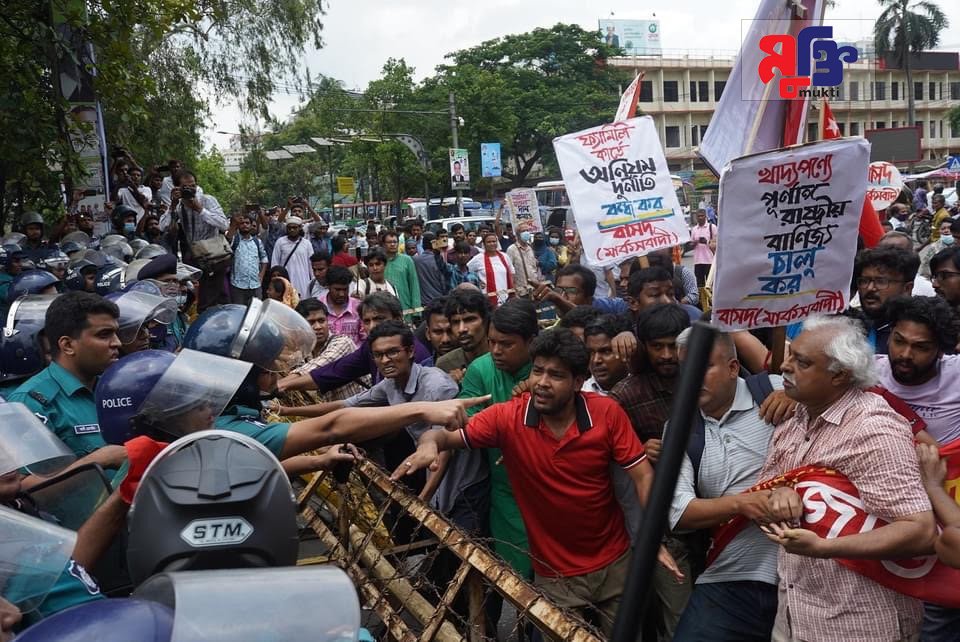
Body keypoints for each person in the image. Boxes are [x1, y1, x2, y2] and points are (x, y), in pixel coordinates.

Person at [395, 328, 680, 637]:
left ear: (577, 382)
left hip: (615, 564)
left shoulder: (606, 413)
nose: (542, 383)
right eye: (538, 371)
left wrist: (654, 538)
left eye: (556, 375)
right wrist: (429, 443)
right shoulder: (508, 418)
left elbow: (642, 475)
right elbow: (441, 434)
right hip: (555, 576)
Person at [759, 315, 935, 642]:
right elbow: (766, 494)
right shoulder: (795, 417)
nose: (785, 366)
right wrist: (780, 494)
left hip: (860, 624)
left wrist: (825, 548)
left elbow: (920, 530)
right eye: (790, 354)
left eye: (802, 361)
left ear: (839, 375)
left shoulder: (874, 430)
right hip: (794, 616)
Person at [668, 331, 782, 641]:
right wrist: (741, 504)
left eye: (703, 366)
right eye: (685, 368)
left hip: (805, 570)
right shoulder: (679, 428)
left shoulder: (776, 392)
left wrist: (798, 397)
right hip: (729, 576)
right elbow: (677, 513)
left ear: (733, 368)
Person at [871, 296, 960, 638]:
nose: (905, 355)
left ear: (941, 350)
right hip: (886, 515)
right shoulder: (866, 372)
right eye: (899, 341)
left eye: (921, 347)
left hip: (946, 517)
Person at [457, 300, 538, 581]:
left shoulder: (549, 370)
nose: (495, 351)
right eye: (492, 342)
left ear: (531, 342)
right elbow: (466, 422)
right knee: (517, 576)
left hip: (550, 485)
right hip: (506, 491)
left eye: (506, 344)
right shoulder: (481, 369)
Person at [7, 292, 125, 469]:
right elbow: (24, 487)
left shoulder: (117, 388)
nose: (117, 343)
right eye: (104, 335)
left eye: (116, 333)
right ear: (68, 345)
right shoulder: (31, 404)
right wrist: (98, 461)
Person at [277, 292, 434, 395]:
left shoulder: (414, 353)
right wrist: (283, 385)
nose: (372, 326)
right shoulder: (370, 347)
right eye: (367, 321)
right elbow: (333, 372)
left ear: (398, 319)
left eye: (379, 319)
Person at [436, 288, 490, 380]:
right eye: (456, 322)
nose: (461, 329)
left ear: (485, 321)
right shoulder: (445, 365)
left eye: (469, 320)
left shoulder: (502, 357)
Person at [582, 315, 632, 394]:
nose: (596, 360)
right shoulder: (580, 396)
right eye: (590, 352)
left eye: (606, 351)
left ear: (625, 348)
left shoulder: (644, 387)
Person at [227, 212, 268, 305]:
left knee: (255, 313)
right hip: (238, 285)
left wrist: (261, 276)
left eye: (247, 223)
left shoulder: (257, 242)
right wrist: (234, 224)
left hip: (255, 285)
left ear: (251, 225)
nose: (244, 225)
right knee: (238, 312)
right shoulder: (235, 240)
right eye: (242, 223)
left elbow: (264, 259)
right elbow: (227, 240)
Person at [270, 216, 314, 298]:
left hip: (303, 282)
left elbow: (311, 265)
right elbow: (275, 263)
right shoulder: (280, 242)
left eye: (294, 227)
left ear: (300, 228)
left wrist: (313, 281)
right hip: (285, 282)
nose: (292, 230)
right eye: (289, 228)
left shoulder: (307, 244)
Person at [468, 231, 514, 307]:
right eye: (489, 242)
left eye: (494, 241)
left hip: (506, 296)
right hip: (488, 299)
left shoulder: (505, 256)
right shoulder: (478, 258)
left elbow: (512, 273)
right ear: (484, 244)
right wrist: (478, 281)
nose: (492, 244)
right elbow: (467, 272)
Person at [382, 231, 421, 320]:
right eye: (389, 242)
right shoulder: (380, 262)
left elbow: (414, 285)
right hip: (385, 310)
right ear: (384, 245)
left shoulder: (407, 260)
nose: (392, 244)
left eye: (395, 242)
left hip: (405, 309)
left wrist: (416, 312)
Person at [322, 266, 363, 347]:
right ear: (328, 286)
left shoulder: (359, 307)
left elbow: (365, 337)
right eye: (337, 290)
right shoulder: (318, 307)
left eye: (345, 289)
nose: (342, 294)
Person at [413, 232, 451, 308]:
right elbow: (444, 280)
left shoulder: (415, 260)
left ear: (423, 245)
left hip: (423, 302)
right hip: (439, 299)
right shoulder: (438, 259)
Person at [505, 226, 539, 296]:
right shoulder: (511, 249)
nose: (526, 232)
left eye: (527, 230)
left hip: (534, 289)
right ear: (517, 234)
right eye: (523, 231)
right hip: (521, 291)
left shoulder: (530, 248)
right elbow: (509, 271)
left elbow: (534, 267)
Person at [690, 209, 717, 287]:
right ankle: (702, 299)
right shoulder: (694, 229)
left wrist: (706, 242)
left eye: (702, 216)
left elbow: (718, 244)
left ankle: (712, 299)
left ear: (706, 217)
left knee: (711, 286)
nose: (700, 218)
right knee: (700, 285)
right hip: (698, 262)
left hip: (710, 261)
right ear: (696, 217)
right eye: (698, 216)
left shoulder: (712, 227)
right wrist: (695, 242)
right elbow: (690, 245)